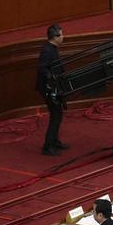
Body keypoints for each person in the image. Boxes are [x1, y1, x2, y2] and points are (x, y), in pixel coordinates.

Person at [37, 24, 67, 155]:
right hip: (48, 89)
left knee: (58, 115)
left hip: (52, 87)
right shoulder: (47, 50)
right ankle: (47, 146)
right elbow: (42, 68)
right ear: (55, 37)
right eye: (61, 34)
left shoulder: (53, 48)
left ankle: (54, 141)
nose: (63, 37)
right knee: (55, 116)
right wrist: (52, 78)